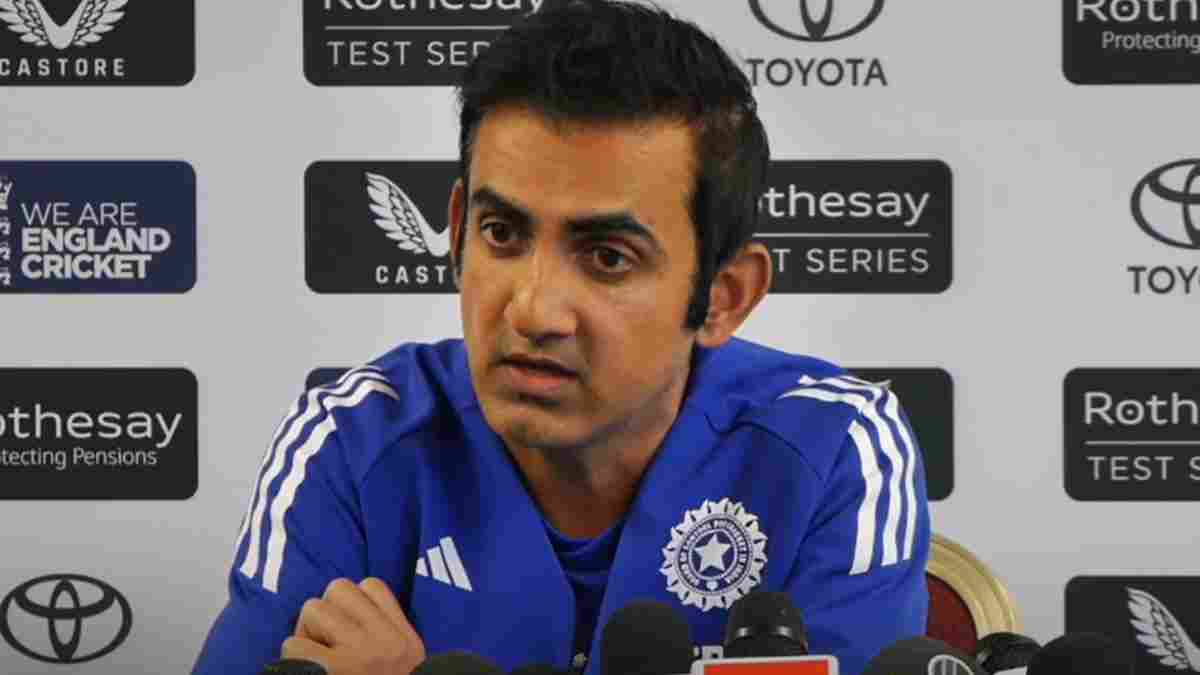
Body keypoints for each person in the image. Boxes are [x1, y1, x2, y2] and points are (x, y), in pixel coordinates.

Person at [192, 1, 930, 674]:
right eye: (501, 233)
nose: (534, 310)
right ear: (456, 231)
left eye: (607, 257)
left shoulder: (838, 448)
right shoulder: (352, 438)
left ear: (722, 296)